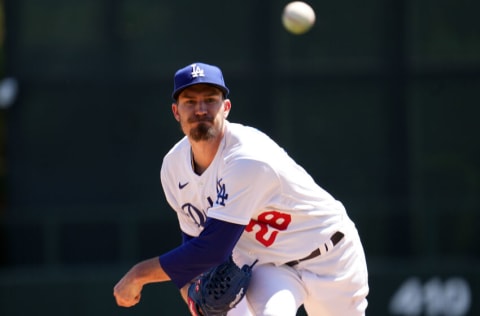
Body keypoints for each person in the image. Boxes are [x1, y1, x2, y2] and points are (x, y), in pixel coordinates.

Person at [113, 62, 369, 315]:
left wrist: (139, 274)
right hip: (270, 267)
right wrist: (193, 303)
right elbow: (193, 251)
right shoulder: (173, 167)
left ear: (226, 108)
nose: (200, 109)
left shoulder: (247, 158)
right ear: (176, 111)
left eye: (210, 100)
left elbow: (212, 249)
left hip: (330, 257)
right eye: (190, 101)